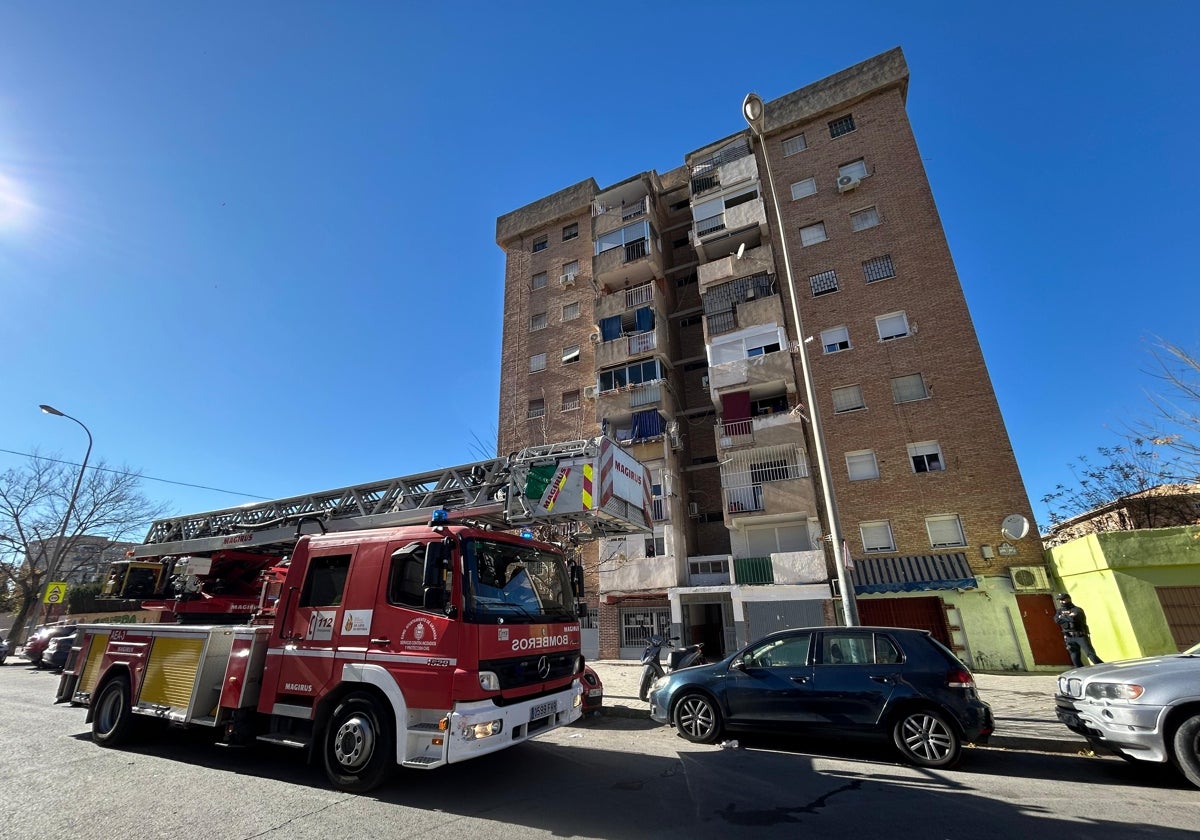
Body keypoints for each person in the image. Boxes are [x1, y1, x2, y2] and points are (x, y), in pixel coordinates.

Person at [1053, 592, 1104, 667]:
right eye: (1060, 600)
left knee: (1091, 655)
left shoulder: (1077, 609)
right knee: (1075, 658)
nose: (1061, 602)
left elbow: (1073, 619)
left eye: (1063, 600)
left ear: (1069, 599)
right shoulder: (1059, 611)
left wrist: (1062, 617)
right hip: (1069, 637)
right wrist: (1065, 617)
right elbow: (1056, 619)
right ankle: (1082, 673)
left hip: (1080, 635)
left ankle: (1106, 668)